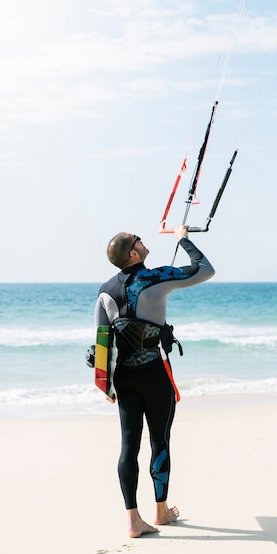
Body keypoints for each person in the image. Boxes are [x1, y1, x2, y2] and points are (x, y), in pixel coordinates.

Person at [94, 226, 215, 537]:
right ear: (133, 253)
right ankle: (161, 513)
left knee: (128, 446)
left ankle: (133, 521)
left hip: (123, 377)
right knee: (159, 440)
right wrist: (182, 237)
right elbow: (205, 270)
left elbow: (102, 342)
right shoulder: (155, 278)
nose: (143, 241)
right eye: (138, 240)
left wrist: (104, 384)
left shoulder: (104, 291)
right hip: (155, 375)